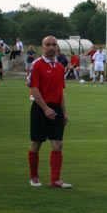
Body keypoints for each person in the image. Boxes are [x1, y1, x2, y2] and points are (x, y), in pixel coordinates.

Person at [27, 36, 72, 188]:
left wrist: (64, 112)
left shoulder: (59, 67)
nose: (51, 47)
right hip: (40, 108)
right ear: (43, 47)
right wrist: (45, 108)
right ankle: (34, 176)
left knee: (58, 144)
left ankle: (55, 180)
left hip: (56, 109)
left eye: (54, 44)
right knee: (36, 143)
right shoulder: (36, 65)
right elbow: (34, 89)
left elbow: (60, 92)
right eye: (48, 44)